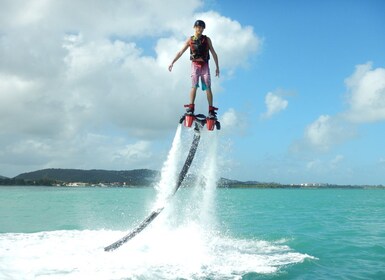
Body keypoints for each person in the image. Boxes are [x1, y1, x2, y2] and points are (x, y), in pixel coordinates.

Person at [168, 20, 220, 119]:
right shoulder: (190, 40)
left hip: (204, 65)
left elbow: (213, 53)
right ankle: (191, 108)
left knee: (208, 86)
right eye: (198, 27)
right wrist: (172, 62)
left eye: (201, 27)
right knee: (194, 85)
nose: (199, 29)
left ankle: (211, 110)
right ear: (194, 28)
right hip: (195, 65)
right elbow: (180, 52)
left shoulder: (207, 39)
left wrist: (217, 67)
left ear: (203, 29)